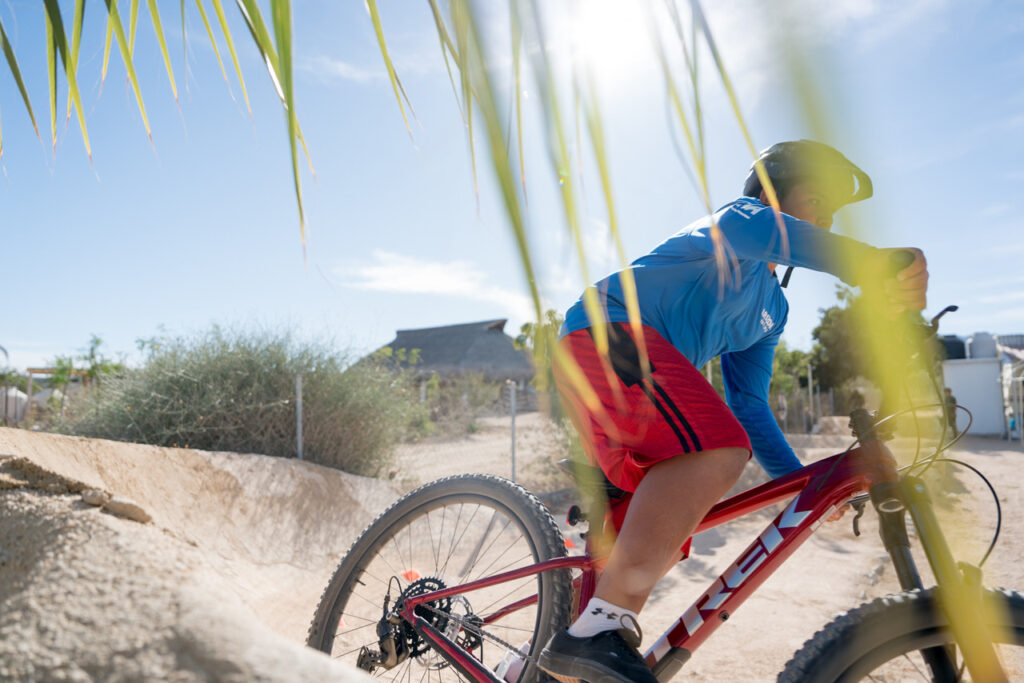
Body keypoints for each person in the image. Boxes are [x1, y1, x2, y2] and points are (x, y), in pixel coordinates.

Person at [538, 140, 929, 683]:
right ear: (772, 193)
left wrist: (800, 482)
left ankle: (538, 661)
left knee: (662, 537)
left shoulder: (773, 309)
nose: (825, 217)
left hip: (640, 383)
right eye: (817, 200)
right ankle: (599, 629)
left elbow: (748, 403)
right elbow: (762, 232)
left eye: (832, 210)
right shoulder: (740, 220)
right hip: (607, 333)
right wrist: (871, 262)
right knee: (716, 449)